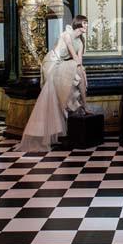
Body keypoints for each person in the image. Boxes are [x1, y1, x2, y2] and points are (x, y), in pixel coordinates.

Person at [16, 16, 89, 153]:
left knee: (79, 72)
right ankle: (83, 106)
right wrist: (79, 67)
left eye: (87, 23)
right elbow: (74, 56)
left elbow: (79, 60)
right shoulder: (67, 35)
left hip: (63, 64)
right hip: (52, 63)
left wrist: (82, 71)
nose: (87, 26)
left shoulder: (81, 41)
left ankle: (83, 105)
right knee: (57, 89)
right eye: (85, 23)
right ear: (78, 24)